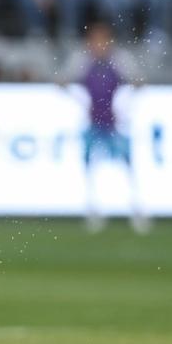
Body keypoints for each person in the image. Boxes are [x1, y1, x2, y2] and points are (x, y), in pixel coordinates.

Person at [60, 19, 149, 233]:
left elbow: (138, 82)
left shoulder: (119, 60)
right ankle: (93, 210)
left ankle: (136, 210)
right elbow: (62, 81)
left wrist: (123, 105)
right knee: (89, 166)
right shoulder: (82, 60)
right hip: (92, 123)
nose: (98, 44)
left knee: (127, 167)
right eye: (94, 39)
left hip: (115, 124)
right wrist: (81, 101)